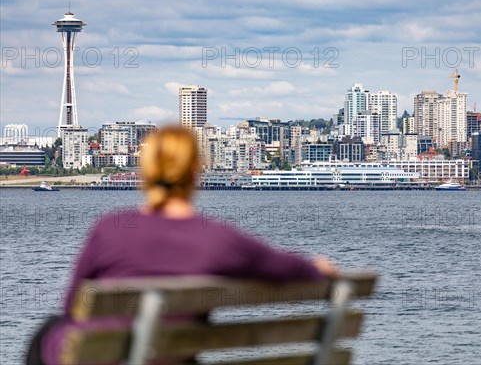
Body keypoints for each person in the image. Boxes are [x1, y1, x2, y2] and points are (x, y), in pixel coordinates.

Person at [28, 126, 337, 365]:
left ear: (146, 172)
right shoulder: (219, 239)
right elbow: (284, 268)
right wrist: (316, 268)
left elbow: (73, 307)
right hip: (172, 358)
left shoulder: (110, 229)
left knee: (48, 330)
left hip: (102, 357)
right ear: (194, 173)